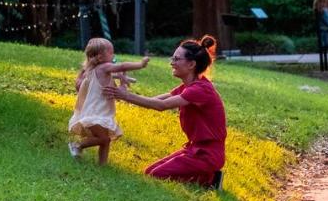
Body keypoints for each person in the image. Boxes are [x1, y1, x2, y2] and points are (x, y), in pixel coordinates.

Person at [105, 36, 226, 185]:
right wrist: (123, 93)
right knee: (150, 171)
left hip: (207, 154)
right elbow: (156, 100)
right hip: (195, 149)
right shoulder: (187, 87)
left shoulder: (200, 90)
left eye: (176, 59)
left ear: (191, 64)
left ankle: (210, 178)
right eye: (172, 58)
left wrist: (125, 96)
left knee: (155, 175)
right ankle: (210, 177)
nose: (172, 63)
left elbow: (160, 106)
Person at [68, 38, 150, 165]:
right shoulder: (104, 67)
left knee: (105, 141)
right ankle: (77, 145)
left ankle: (103, 165)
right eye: (111, 52)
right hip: (95, 114)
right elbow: (121, 66)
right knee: (103, 138)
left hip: (100, 113)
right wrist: (140, 64)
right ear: (100, 57)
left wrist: (123, 80)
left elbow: (117, 92)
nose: (114, 55)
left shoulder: (96, 71)